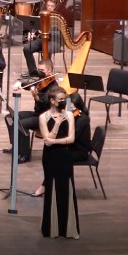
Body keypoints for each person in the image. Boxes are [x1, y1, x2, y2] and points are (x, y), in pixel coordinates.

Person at [39, 88, 80, 239]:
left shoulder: (69, 115)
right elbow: (46, 142)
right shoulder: (43, 117)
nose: (63, 102)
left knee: (66, 188)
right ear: (52, 100)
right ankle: (52, 228)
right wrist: (56, 124)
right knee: (52, 188)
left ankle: (67, 228)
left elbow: (71, 139)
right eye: (60, 99)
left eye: (64, 99)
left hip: (65, 156)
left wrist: (54, 141)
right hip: (50, 157)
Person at [22, 0, 62, 78]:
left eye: (52, 6)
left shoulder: (58, 18)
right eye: (48, 5)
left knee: (47, 49)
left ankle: (46, 73)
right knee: (27, 48)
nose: (49, 7)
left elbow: (59, 34)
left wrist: (47, 33)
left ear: (56, 6)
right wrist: (32, 33)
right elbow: (36, 26)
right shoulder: (43, 15)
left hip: (54, 41)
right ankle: (33, 72)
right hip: (41, 39)